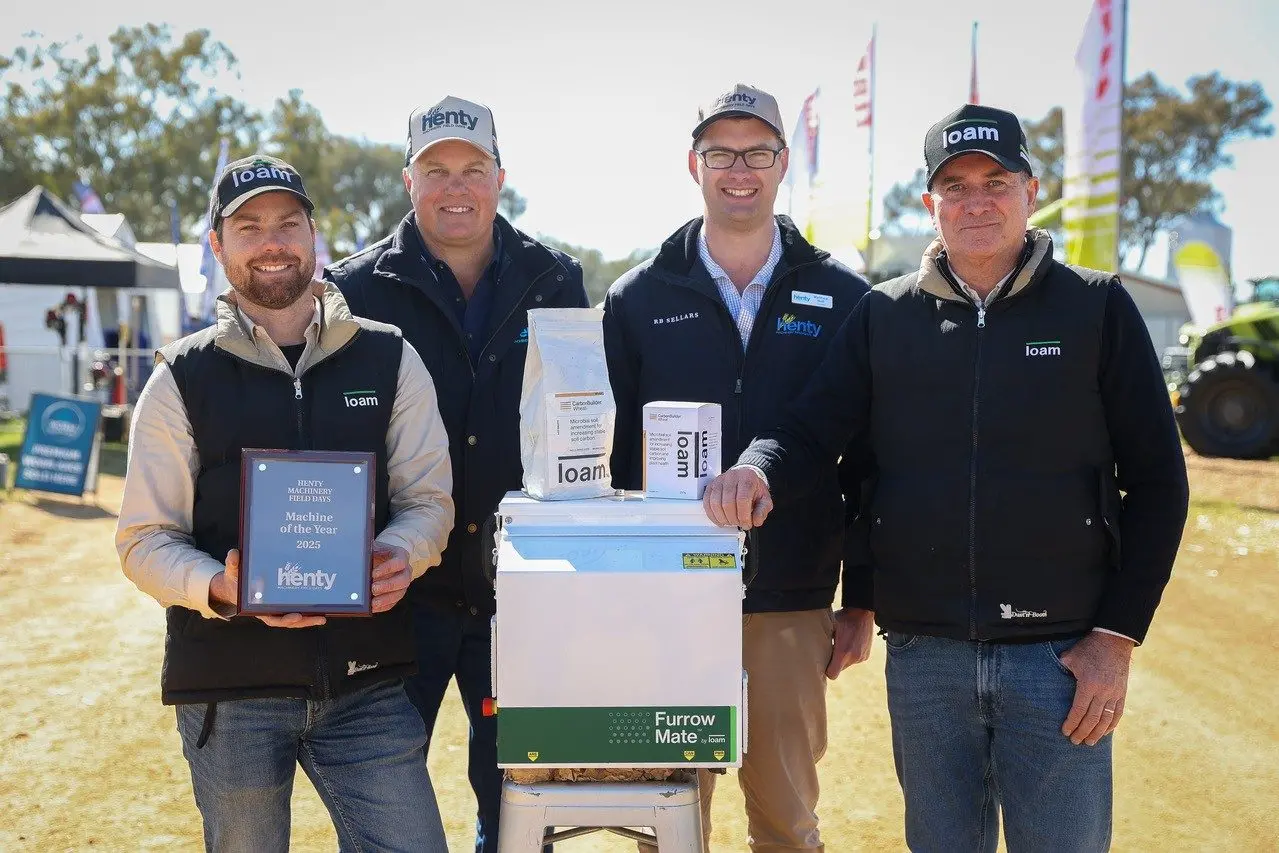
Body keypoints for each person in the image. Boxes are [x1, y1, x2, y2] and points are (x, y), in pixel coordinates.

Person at [704, 104, 1191, 852]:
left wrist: (1113, 639)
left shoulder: (1096, 307)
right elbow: (820, 437)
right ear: (930, 204)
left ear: (1031, 190)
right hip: (925, 658)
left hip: (1058, 657)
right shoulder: (882, 315)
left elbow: (1158, 481)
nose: (976, 201)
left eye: (995, 181)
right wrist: (756, 466)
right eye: (954, 186)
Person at [116, 154, 454, 853]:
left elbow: (429, 501)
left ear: (312, 235)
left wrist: (403, 554)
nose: (271, 241)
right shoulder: (180, 377)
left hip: (368, 685)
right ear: (218, 245)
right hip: (230, 688)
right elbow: (143, 539)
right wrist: (216, 585)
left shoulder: (389, 358)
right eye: (248, 227)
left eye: (287, 223)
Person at [602, 83, 874, 852]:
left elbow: (868, 455)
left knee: (787, 820)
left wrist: (864, 596)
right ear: (694, 164)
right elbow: (615, 459)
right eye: (721, 152)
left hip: (791, 594)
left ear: (783, 162)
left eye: (757, 151)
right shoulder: (637, 297)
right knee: (668, 817)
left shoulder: (843, 295)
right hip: (666, 594)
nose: (739, 169)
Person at [325, 95, 588, 853]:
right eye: (436, 169)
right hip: (394, 592)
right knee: (379, 801)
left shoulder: (554, 279)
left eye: (472, 168)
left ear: (500, 177)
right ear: (408, 181)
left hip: (520, 594)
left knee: (517, 802)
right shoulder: (355, 289)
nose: (455, 186)